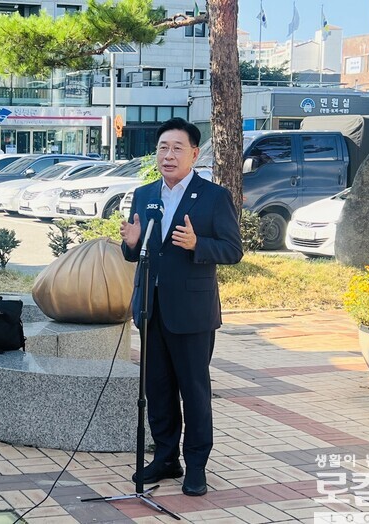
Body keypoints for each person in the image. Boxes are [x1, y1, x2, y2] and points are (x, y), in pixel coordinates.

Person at [120, 117, 243, 496]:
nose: (168, 155)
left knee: (194, 392)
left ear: (194, 153)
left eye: (177, 148)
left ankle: (197, 466)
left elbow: (233, 250)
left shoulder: (214, 196)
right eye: (163, 148)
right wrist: (131, 243)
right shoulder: (144, 194)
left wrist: (197, 244)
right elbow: (137, 251)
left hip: (192, 313)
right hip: (151, 308)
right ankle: (166, 457)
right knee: (157, 390)